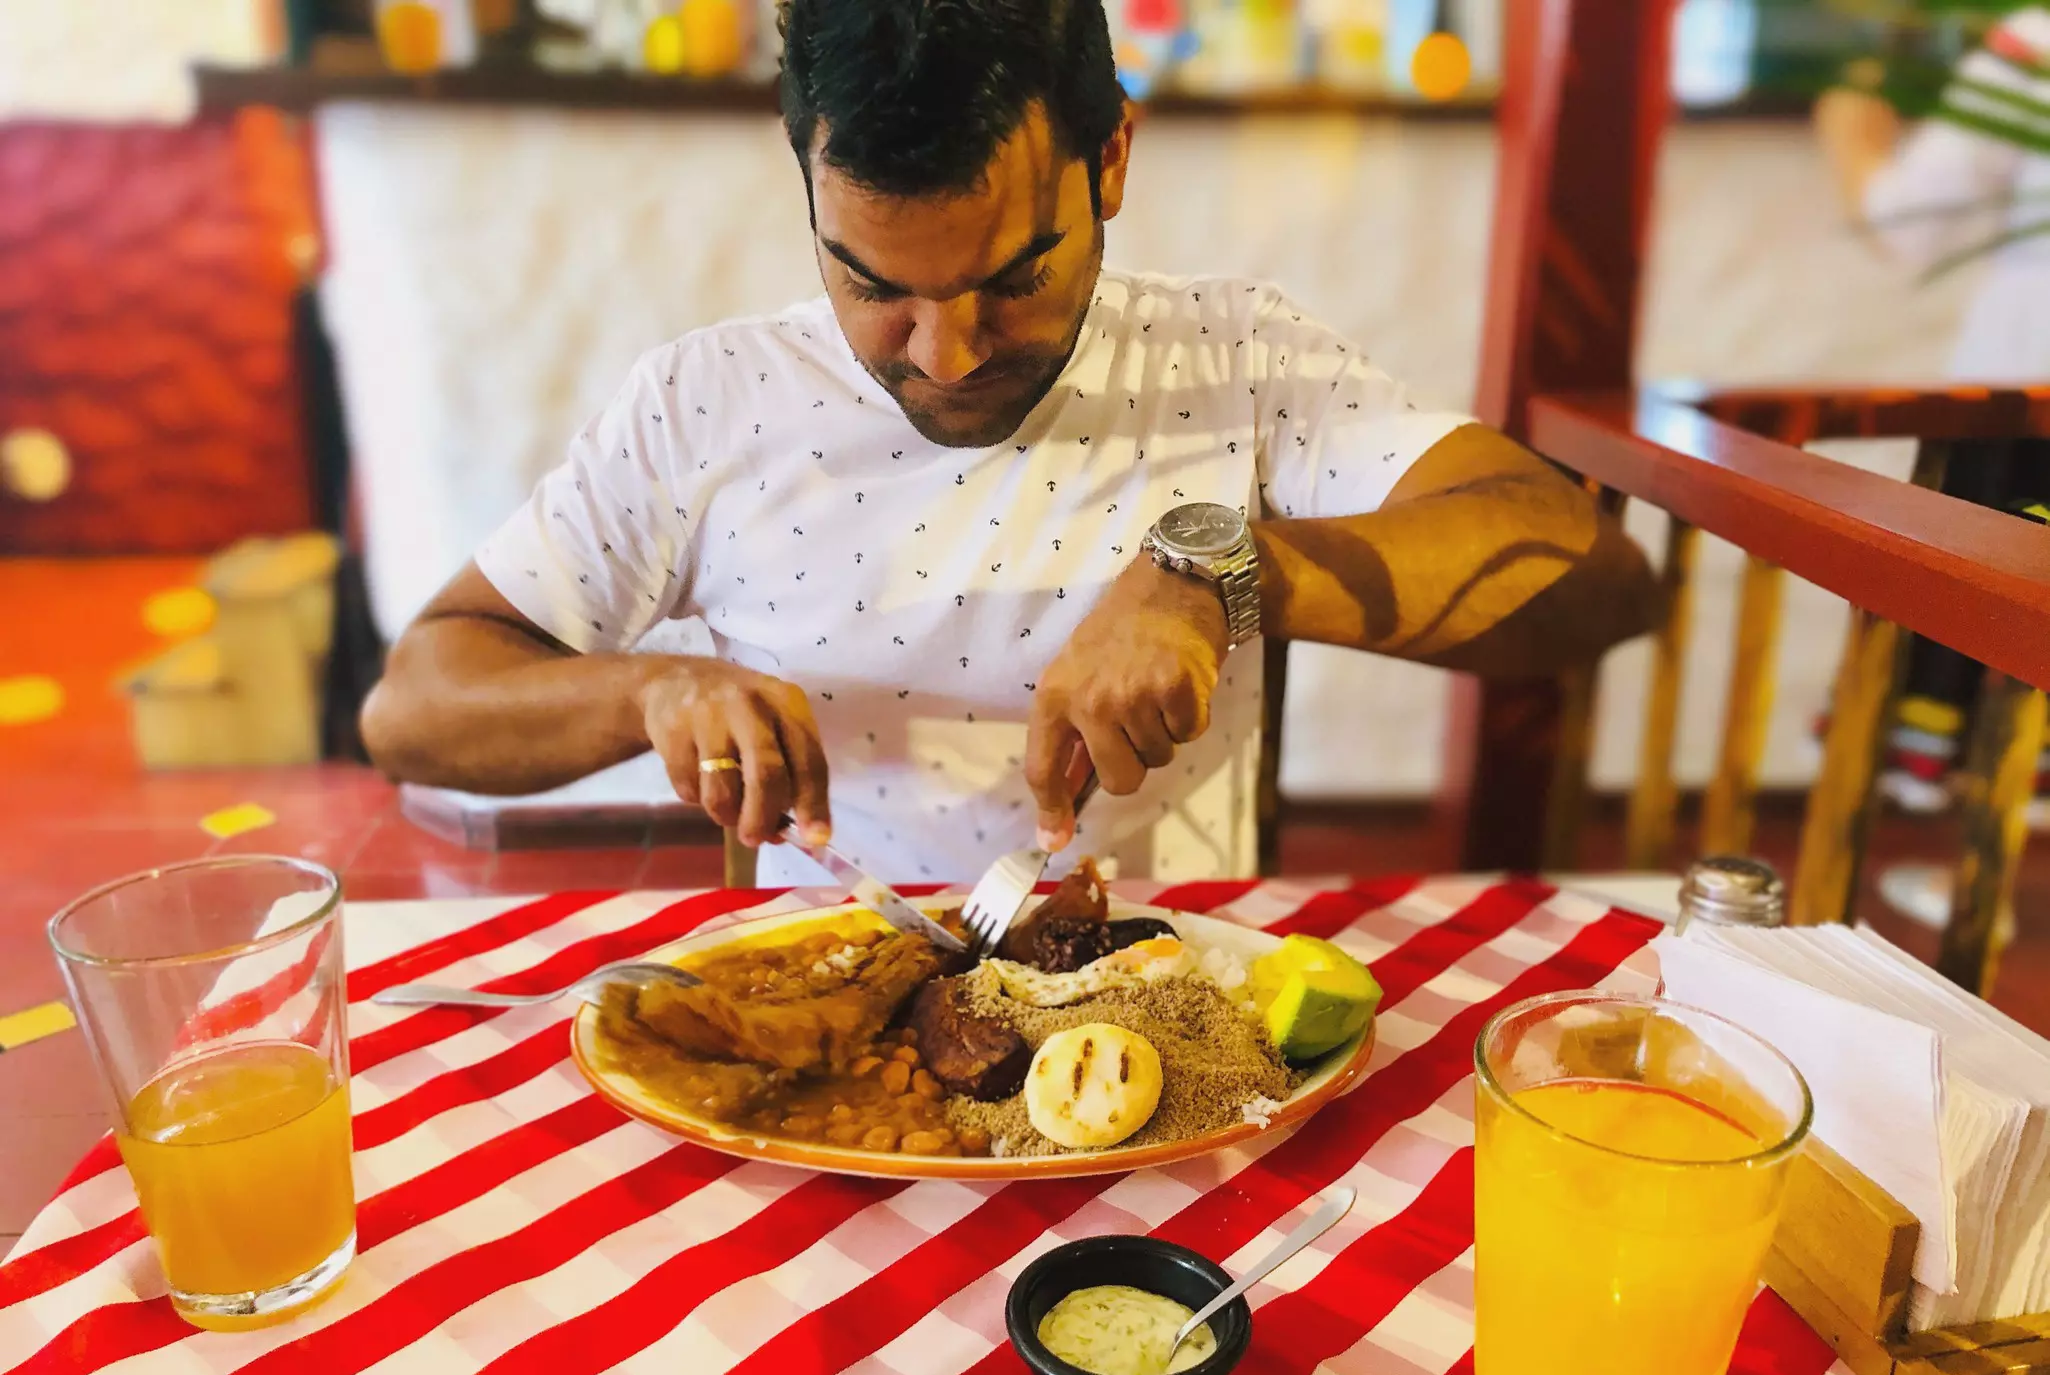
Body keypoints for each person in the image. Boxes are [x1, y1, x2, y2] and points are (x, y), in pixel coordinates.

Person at [361, 0, 1659, 886]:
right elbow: (414, 705)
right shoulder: (708, 401)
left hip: (1175, 1005)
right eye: (872, 286)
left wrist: (1228, 575)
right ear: (806, 192)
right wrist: (648, 689)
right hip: (832, 1036)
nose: (945, 352)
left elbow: (1590, 570)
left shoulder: (1234, 359)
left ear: (1110, 164)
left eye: (1011, 279)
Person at [1814, 7, 2050, 864]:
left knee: (1977, 654)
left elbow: (1909, 223)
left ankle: (1967, 901)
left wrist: (1852, 129)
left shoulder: (2037, 41)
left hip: (2024, 409)